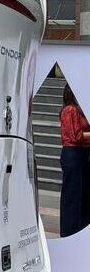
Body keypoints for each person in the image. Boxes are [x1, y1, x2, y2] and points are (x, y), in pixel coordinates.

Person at [59, 83, 90, 237]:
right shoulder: (70, 110)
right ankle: (70, 231)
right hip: (73, 153)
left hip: (82, 153)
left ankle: (79, 229)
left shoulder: (78, 110)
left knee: (83, 195)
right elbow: (76, 136)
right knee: (72, 195)